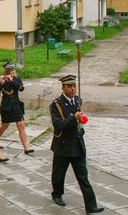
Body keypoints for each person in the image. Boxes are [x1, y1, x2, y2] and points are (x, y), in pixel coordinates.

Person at [50, 75, 103, 213]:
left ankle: (91, 206)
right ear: (63, 88)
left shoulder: (78, 100)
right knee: (59, 174)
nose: (73, 89)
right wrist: (74, 118)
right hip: (62, 145)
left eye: (74, 86)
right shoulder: (56, 104)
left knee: (83, 176)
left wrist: (80, 120)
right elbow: (58, 125)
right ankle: (57, 194)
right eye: (69, 86)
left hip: (77, 144)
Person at [0, 61, 33, 154]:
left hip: (16, 106)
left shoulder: (17, 79)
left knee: (21, 126)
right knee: (5, 126)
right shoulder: (1, 78)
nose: (13, 72)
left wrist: (12, 80)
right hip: (6, 107)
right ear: (7, 71)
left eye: (13, 70)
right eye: (11, 70)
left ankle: (26, 147)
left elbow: (21, 88)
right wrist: (1, 83)